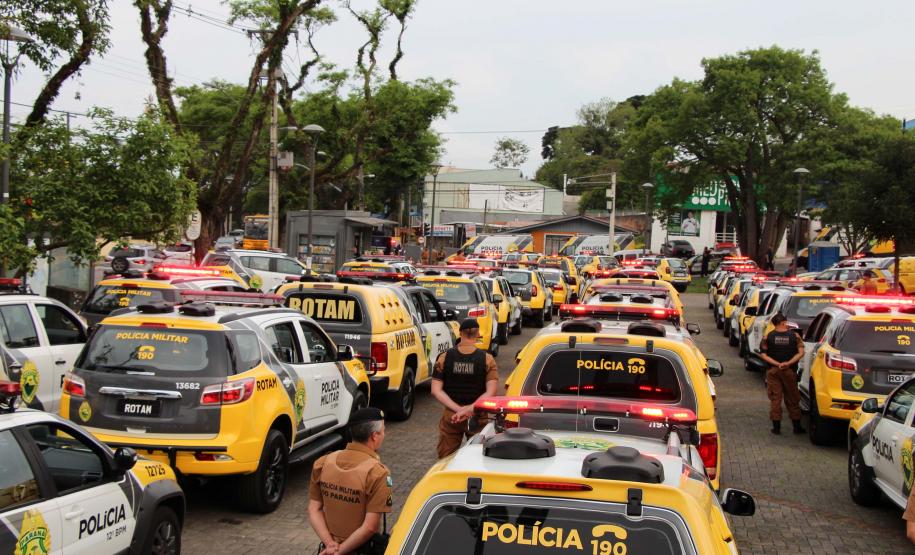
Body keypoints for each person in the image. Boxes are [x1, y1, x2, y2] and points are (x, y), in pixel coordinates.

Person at [308, 408, 392, 555]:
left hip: (328, 548)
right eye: (383, 431)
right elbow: (370, 527)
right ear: (374, 436)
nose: (385, 435)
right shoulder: (378, 473)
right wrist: (339, 552)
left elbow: (313, 509)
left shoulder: (323, 463)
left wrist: (330, 545)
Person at [431, 318, 499, 459]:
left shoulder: (444, 357)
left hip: (452, 416)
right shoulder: (487, 359)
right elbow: (491, 391)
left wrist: (458, 410)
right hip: (477, 416)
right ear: (478, 334)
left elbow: (436, 390)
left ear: (460, 333)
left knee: (446, 459)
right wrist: (469, 409)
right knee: (478, 458)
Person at [759, 313, 806, 435]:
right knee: (792, 398)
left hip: (773, 371)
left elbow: (763, 354)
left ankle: (776, 428)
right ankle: (796, 427)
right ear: (783, 322)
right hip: (789, 371)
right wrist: (788, 363)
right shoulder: (795, 336)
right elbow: (801, 353)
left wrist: (777, 364)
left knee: (775, 398)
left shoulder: (767, 337)